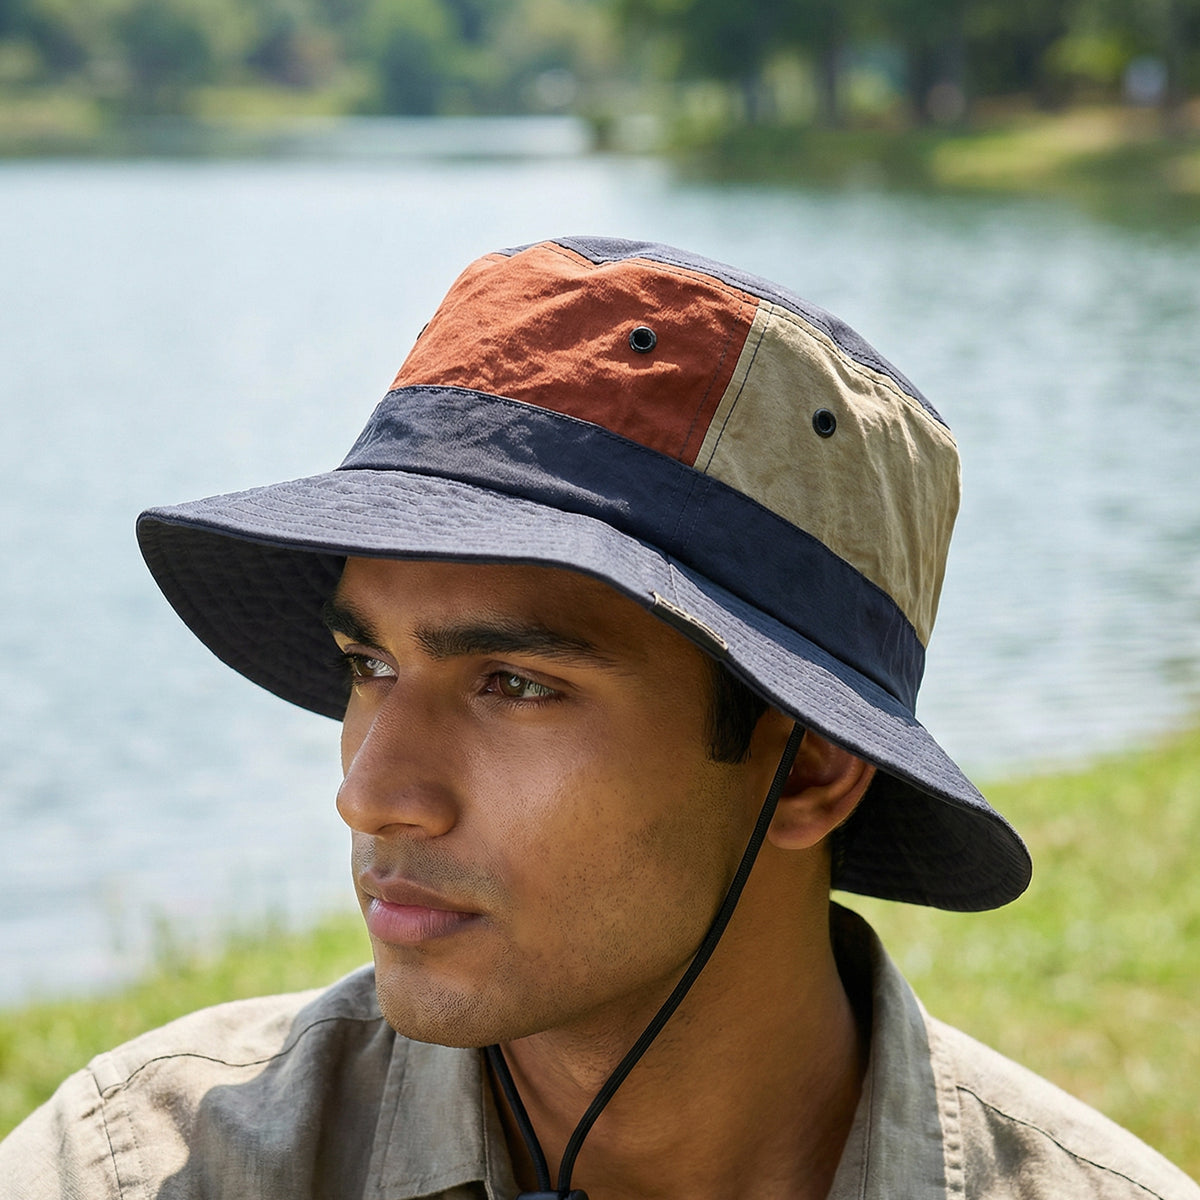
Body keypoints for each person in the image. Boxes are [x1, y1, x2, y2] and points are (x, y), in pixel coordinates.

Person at [1, 236, 1195, 1200]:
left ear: (812, 768)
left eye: (514, 684)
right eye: (367, 662)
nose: (371, 792)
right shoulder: (152, 1169)